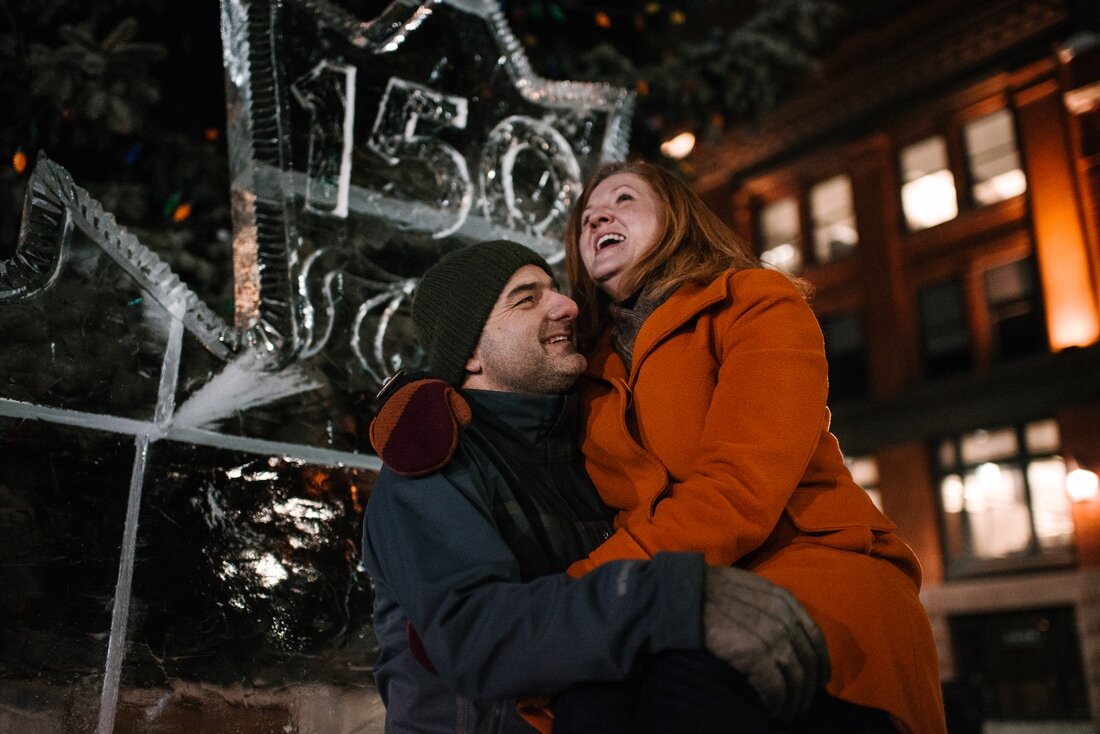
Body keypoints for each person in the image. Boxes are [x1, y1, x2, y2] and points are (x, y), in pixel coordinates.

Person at [360, 239, 830, 733]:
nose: (567, 306)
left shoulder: (581, 446)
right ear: (471, 353)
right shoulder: (433, 468)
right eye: (526, 298)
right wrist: (667, 599)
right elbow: (476, 634)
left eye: (556, 290)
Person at [558, 159, 948, 734]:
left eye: (623, 199)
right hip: (674, 600)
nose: (597, 216)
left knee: (670, 699)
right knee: (580, 707)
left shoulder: (755, 301)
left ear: (677, 218)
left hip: (809, 575)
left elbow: (740, 488)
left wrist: (583, 591)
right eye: (586, 217)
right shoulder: (585, 368)